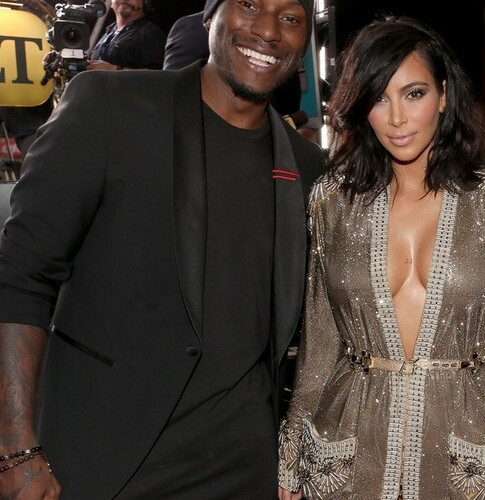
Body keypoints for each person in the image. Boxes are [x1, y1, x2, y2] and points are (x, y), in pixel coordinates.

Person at [0, 0, 323, 499]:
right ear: (208, 17)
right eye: (249, 4)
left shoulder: (308, 167)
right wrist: (16, 447)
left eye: (290, 18)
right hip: (102, 461)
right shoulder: (110, 106)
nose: (268, 30)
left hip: (244, 469)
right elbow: (20, 276)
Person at [278, 15, 485, 500]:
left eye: (413, 94)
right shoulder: (333, 200)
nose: (396, 118)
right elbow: (319, 341)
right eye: (378, 97)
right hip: (347, 448)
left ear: (443, 95)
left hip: (466, 452)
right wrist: (291, 458)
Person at [163, 9, 304, 119]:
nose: (268, 33)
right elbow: (176, 94)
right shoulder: (192, 28)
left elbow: (289, 99)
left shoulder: (283, 35)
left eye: (290, 19)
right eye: (247, 5)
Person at [87, 0, 165, 71]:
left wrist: (114, 69)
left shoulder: (150, 33)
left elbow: (156, 74)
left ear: (144, 3)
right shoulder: (109, 31)